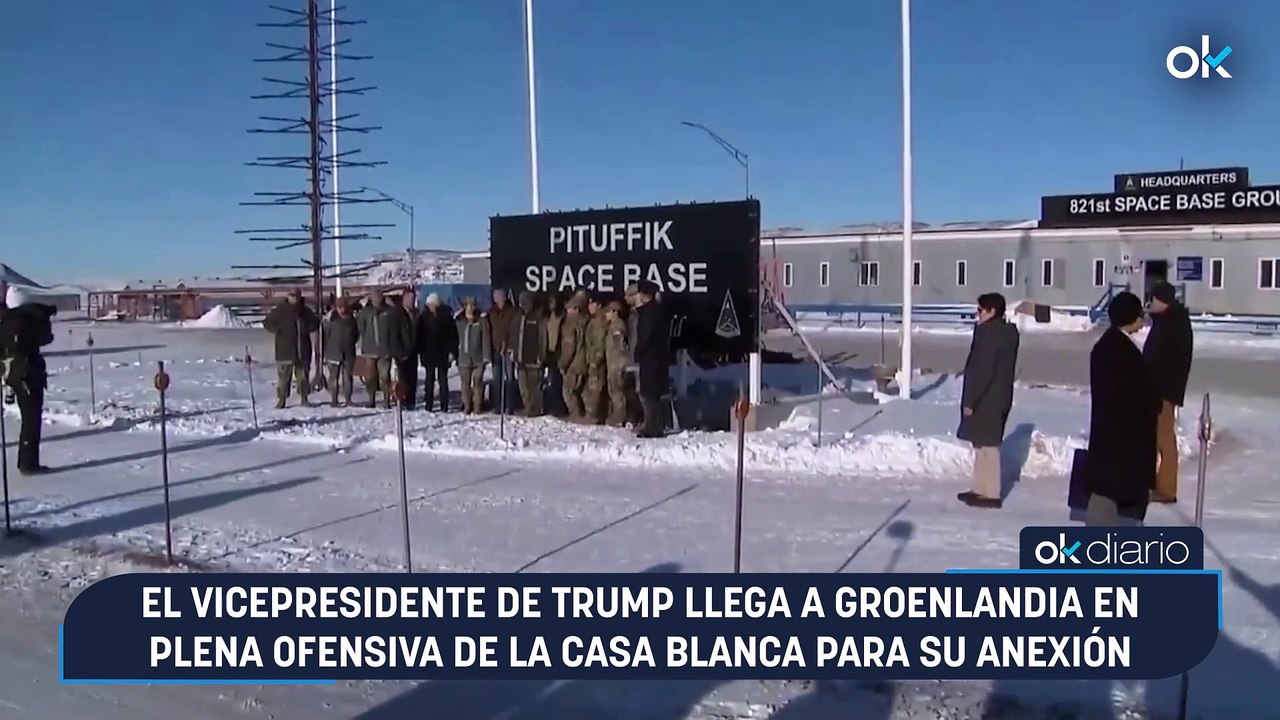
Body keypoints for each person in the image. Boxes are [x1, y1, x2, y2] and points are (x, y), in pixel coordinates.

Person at [1085, 291, 1161, 526]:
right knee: (1108, 501)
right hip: (1120, 438)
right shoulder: (1117, 350)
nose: (1143, 321)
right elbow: (1123, 395)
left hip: (1116, 438)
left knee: (1108, 496)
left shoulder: (1114, 345)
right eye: (1139, 316)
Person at [955, 292, 1021, 509]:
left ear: (992, 311)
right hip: (994, 396)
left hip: (987, 397)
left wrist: (971, 401)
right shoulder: (1000, 331)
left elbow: (984, 369)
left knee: (988, 446)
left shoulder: (991, 334)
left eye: (981, 310)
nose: (978, 314)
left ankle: (990, 493)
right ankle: (979, 489)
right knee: (981, 443)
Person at [1143, 281, 1194, 504]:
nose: (1148, 303)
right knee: (1153, 438)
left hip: (1162, 390)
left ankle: (1166, 488)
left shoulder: (1173, 325)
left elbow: (1166, 361)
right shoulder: (1168, 321)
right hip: (1159, 389)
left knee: (1164, 438)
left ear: (1161, 300)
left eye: (1152, 299)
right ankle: (1152, 482)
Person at [0, 289, 56, 474]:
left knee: (28, 418)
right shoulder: (28, 321)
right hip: (28, 373)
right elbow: (46, 338)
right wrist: (42, 315)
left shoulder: (4, 321)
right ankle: (28, 463)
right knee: (31, 419)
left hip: (12, 374)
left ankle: (26, 462)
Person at [262, 289, 320, 408]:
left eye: (296, 295)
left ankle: (304, 398)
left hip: (302, 349)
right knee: (284, 378)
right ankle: (282, 400)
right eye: (291, 295)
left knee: (303, 376)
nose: (294, 298)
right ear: (287, 296)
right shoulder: (279, 310)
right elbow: (267, 323)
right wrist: (278, 330)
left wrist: (307, 328)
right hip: (284, 349)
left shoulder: (305, 311)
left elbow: (315, 323)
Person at [632, 280, 669, 438]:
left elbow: (646, 336)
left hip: (651, 358)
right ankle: (653, 425)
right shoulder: (655, 311)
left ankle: (652, 427)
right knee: (651, 392)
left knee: (649, 393)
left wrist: (638, 351)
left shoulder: (649, 313)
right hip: (655, 358)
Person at [416, 292, 457, 412]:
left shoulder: (446, 317)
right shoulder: (423, 318)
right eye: (430, 304)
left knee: (443, 380)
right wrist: (420, 352)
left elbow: (452, 336)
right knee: (429, 380)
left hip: (442, 353)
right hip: (428, 353)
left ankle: (444, 405)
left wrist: (451, 351)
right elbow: (420, 336)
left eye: (434, 304)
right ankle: (429, 404)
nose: (432, 306)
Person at [355, 289, 396, 408]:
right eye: (374, 296)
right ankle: (371, 399)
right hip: (369, 350)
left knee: (385, 377)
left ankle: (386, 400)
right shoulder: (365, 312)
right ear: (370, 298)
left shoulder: (389, 311)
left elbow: (394, 326)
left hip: (385, 350)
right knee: (370, 377)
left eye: (379, 296)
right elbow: (360, 328)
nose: (377, 298)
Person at [510, 291, 547, 416]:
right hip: (520, 358)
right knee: (523, 386)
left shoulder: (538, 318)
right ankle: (527, 406)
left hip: (534, 358)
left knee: (534, 386)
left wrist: (541, 355)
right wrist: (512, 351)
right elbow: (513, 336)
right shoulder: (517, 318)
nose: (523, 305)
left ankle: (536, 408)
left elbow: (542, 338)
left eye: (525, 302)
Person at [455, 298, 490, 414]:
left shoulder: (481, 321)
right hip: (464, 357)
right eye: (469, 305)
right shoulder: (459, 321)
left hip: (478, 358)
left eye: (473, 305)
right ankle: (466, 404)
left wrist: (486, 356)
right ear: (464, 306)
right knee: (465, 383)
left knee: (478, 382)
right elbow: (455, 339)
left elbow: (485, 338)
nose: (471, 308)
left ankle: (477, 405)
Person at [322, 296, 359, 407]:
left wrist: (350, 344)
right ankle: (334, 399)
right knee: (334, 378)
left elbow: (356, 334)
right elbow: (324, 336)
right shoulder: (330, 320)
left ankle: (348, 399)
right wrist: (324, 352)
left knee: (347, 378)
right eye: (339, 306)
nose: (342, 308)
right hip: (333, 353)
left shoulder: (351, 319)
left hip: (348, 353)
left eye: (343, 306)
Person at [486, 288, 518, 413]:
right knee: (496, 378)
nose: (500, 300)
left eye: (501, 298)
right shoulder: (491, 313)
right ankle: (498, 405)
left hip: (508, 350)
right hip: (495, 349)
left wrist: (509, 345)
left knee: (510, 378)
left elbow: (513, 330)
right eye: (497, 298)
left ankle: (510, 405)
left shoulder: (512, 311)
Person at [558, 296, 588, 421]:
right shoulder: (587, 321)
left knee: (569, 391)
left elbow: (569, 347)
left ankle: (575, 415)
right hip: (585, 362)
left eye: (569, 309)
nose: (567, 312)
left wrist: (563, 363)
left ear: (576, 309)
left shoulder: (570, 325)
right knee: (581, 390)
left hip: (574, 364)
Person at [581, 295, 609, 424]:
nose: (589, 307)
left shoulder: (599, 322)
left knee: (595, 389)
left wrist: (595, 361)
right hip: (593, 360)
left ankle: (594, 416)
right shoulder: (594, 320)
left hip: (597, 363)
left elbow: (599, 343)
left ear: (598, 305)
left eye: (592, 304)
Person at [603, 300, 631, 427]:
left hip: (617, 363)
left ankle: (620, 417)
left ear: (615, 312)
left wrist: (621, 363)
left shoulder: (617, 326)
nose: (606, 315)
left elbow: (620, 346)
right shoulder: (614, 325)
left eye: (608, 312)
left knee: (617, 391)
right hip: (614, 363)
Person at [542, 293, 566, 417]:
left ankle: (559, 407)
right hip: (549, 351)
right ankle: (552, 405)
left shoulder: (562, 317)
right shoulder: (547, 317)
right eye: (550, 301)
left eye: (554, 301)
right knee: (551, 380)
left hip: (559, 351)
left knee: (558, 380)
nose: (552, 304)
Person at [398, 290, 421, 411]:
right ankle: (401, 400)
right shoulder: (397, 313)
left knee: (412, 378)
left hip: (413, 350)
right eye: (409, 298)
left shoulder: (416, 313)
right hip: (401, 351)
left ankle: (411, 401)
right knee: (402, 378)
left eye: (413, 298)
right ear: (404, 299)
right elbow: (394, 332)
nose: (411, 301)